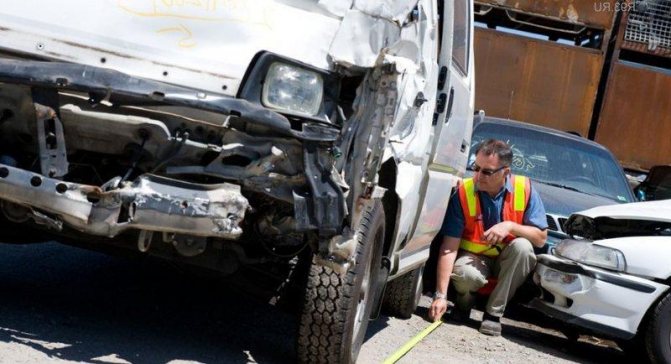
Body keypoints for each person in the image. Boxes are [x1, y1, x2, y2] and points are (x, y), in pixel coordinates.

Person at [428, 139, 547, 336]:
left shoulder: (524, 189)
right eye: (476, 167)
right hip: (474, 260)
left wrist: (510, 226)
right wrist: (440, 296)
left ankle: (493, 315)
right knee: (467, 275)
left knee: (524, 248)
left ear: (506, 172)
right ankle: (462, 305)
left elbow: (541, 238)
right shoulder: (464, 192)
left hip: (506, 260)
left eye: (487, 171)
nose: (478, 175)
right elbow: (448, 248)